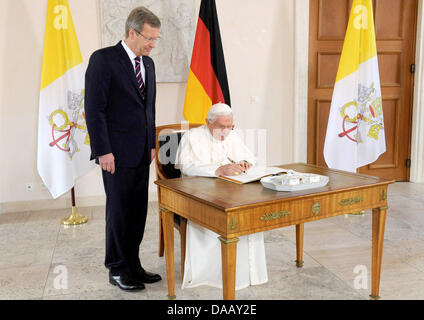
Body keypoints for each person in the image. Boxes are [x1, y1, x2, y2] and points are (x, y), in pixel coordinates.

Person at [84, 6, 162, 291]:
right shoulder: (104, 60)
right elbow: (94, 110)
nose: (153, 44)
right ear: (132, 32)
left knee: (138, 211)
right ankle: (117, 269)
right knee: (119, 211)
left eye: (156, 39)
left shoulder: (148, 64)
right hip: (115, 154)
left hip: (142, 152)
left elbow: (149, 108)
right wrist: (103, 151)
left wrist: (152, 144)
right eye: (149, 38)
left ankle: (133, 264)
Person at [175, 103, 268, 290]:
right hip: (200, 192)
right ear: (208, 123)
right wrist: (217, 170)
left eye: (230, 126)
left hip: (230, 189)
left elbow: (250, 157)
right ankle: (212, 273)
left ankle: (247, 272)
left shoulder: (232, 134)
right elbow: (186, 167)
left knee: (248, 209)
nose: (226, 131)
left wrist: (244, 163)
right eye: (221, 126)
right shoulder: (191, 137)